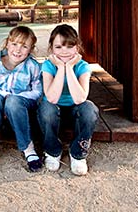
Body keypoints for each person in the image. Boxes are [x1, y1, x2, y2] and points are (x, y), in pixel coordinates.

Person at [0, 26, 43, 172]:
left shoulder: (33, 66)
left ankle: (28, 147)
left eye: (24, 46)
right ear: (7, 43)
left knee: (13, 102)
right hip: (1, 99)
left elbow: (37, 92)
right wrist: (4, 98)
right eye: (14, 44)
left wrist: (14, 97)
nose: (18, 50)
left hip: (23, 103)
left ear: (30, 49)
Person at [38, 24, 99, 176]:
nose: (64, 51)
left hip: (75, 109)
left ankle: (78, 153)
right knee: (46, 108)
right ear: (51, 49)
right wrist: (60, 68)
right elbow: (51, 98)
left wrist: (69, 68)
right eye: (58, 47)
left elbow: (80, 98)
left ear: (77, 48)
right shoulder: (48, 66)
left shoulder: (83, 67)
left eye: (69, 46)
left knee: (90, 109)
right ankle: (53, 151)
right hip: (53, 109)